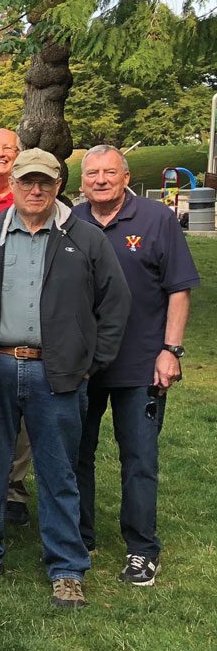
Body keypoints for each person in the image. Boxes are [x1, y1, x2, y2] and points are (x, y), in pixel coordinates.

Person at [0, 148, 130, 608]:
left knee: (58, 471)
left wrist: (89, 360)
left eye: (45, 182)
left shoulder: (84, 238)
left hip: (58, 371)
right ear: (13, 185)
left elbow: (115, 304)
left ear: (58, 185)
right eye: (27, 182)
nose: (36, 190)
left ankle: (66, 568)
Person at [73, 145, 199, 586]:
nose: (101, 180)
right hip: (82, 365)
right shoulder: (70, 221)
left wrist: (171, 350)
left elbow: (179, 289)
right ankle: (79, 537)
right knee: (76, 454)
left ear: (126, 177)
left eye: (110, 172)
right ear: (82, 180)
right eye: (92, 173)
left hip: (142, 363)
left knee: (139, 457)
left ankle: (142, 549)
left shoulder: (156, 219)